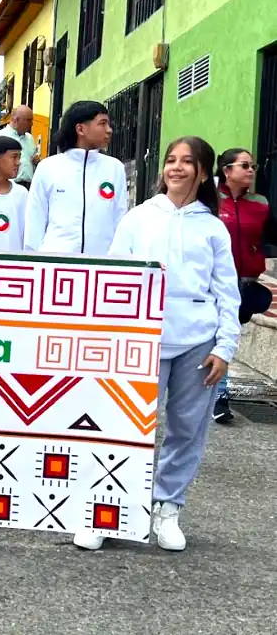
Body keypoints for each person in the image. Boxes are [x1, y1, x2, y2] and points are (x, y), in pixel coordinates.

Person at [73, 136, 240, 553]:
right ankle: (104, 510)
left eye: (187, 162)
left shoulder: (213, 227)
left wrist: (224, 347)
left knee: (186, 429)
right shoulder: (138, 218)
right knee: (123, 427)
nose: (177, 168)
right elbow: (114, 277)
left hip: (197, 343)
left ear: (203, 172)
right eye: (171, 160)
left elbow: (227, 292)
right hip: (141, 338)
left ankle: (167, 507)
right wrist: (111, 333)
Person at [213, 148, 277, 423]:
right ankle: (219, 397)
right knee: (215, 337)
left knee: (227, 336)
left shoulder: (260, 203)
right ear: (227, 171)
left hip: (245, 286)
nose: (251, 170)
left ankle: (217, 394)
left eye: (252, 166)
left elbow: (272, 235)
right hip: (212, 283)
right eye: (244, 165)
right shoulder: (210, 200)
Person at [24, 100, 127, 255]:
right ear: (80, 129)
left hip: (102, 265)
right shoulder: (48, 167)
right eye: (102, 124)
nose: (109, 130)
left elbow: (120, 217)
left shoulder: (114, 168)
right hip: (56, 263)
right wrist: (33, 259)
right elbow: (35, 219)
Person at [0, 106, 40, 189]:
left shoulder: (30, 138)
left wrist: (37, 162)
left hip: (29, 186)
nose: (32, 124)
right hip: (8, 186)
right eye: (28, 120)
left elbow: (33, 162)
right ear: (16, 120)